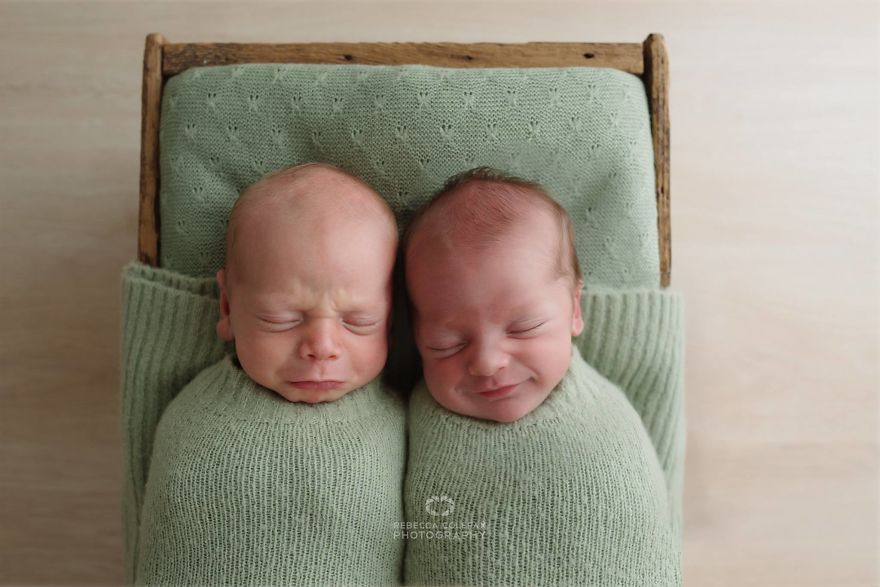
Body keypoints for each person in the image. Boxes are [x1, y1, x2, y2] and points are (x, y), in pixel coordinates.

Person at [402, 167, 681, 586]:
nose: (487, 362)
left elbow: (656, 513)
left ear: (573, 309)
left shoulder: (605, 411)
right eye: (447, 344)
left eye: (523, 328)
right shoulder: (407, 423)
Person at [134, 163, 406, 586]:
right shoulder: (192, 416)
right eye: (282, 318)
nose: (322, 346)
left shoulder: (402, 423)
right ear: (227, 308)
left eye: (358, 320)